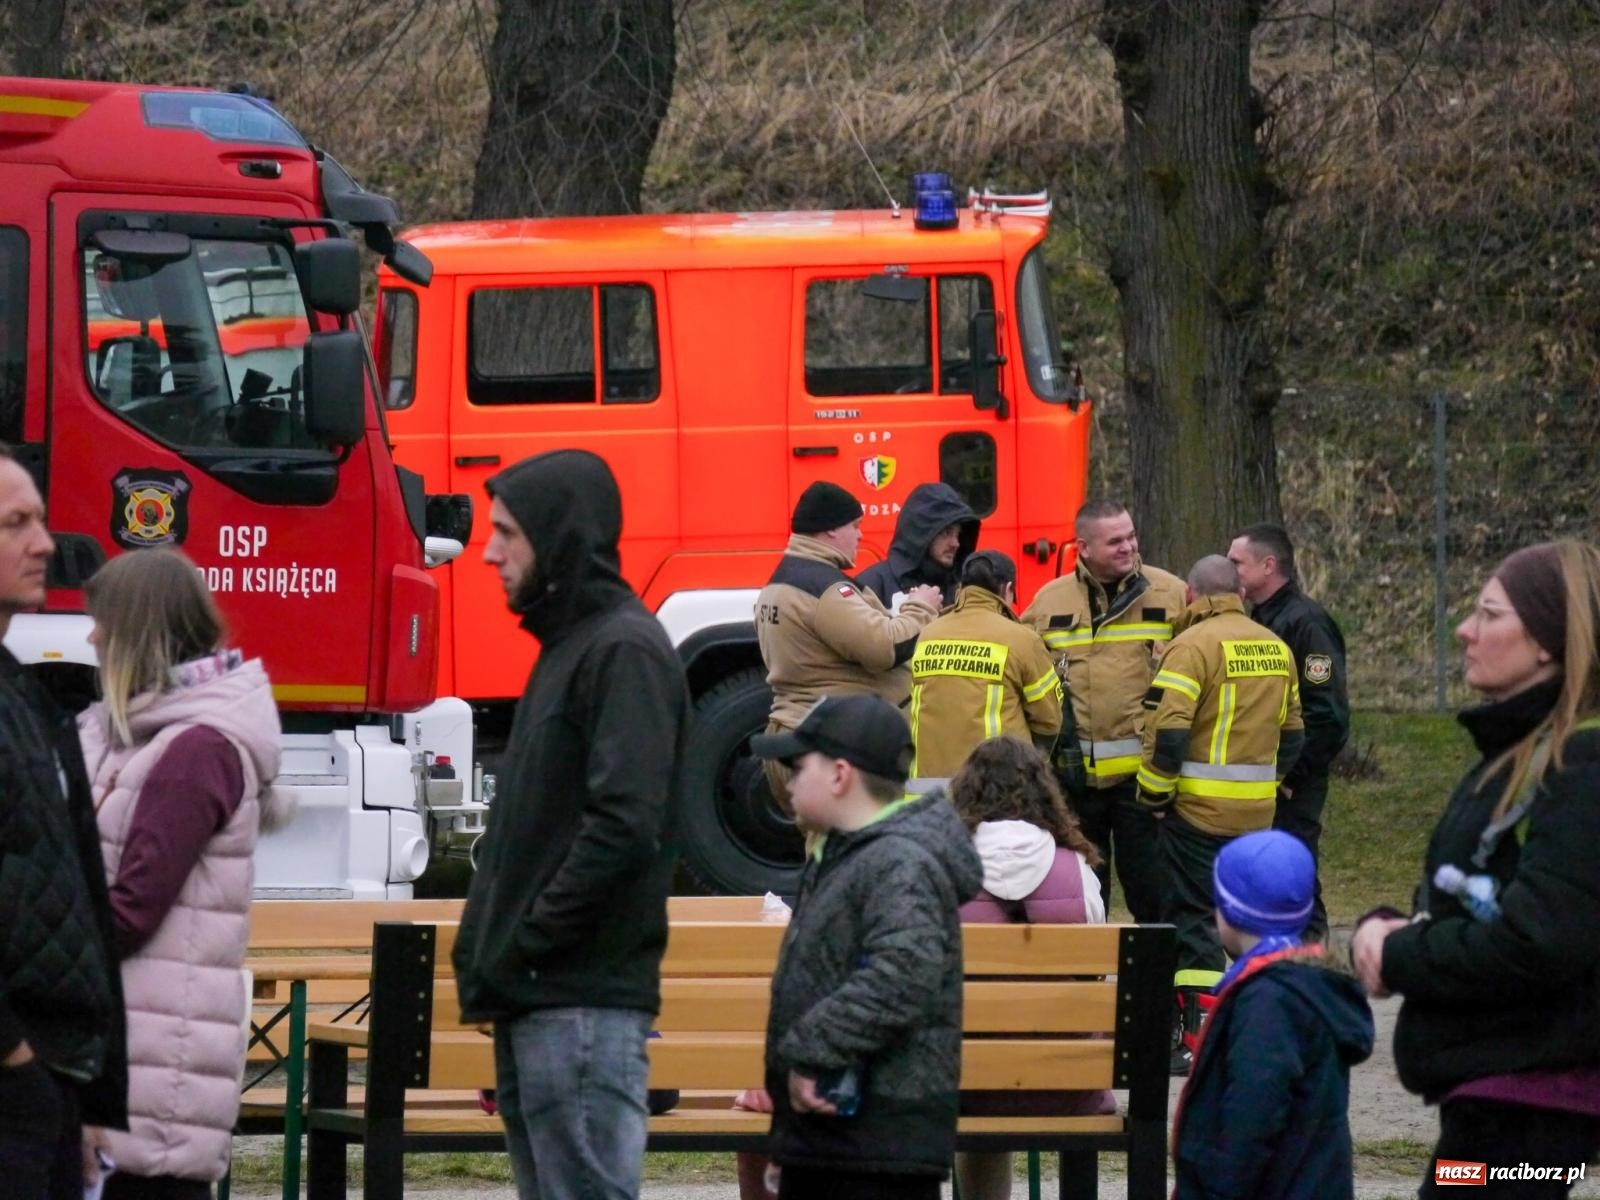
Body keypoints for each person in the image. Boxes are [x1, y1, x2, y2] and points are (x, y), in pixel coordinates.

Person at [453, 448, 689, 1200]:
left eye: (507, 533)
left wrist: (528, 940)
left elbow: (624, 826)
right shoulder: (571, 648)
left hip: (579, 1005)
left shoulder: (622, 650)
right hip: (541, 1001)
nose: (487, 552)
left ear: (559, 538)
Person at [1351, 540, 1600, 1198]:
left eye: (1489, 614)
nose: (1465, 630)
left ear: (1547, 639)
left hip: (1531, 1113)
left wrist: (1400, 952)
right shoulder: (1519, 756)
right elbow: (1477, 899)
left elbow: (1539, 937)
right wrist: (1392, 928)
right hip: (1496, 1107)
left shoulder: (1580, 768)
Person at [76, 549, 286, 1200]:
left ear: (135, 630)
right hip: (135, 1056)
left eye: (101, 622)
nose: (91, 637)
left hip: (151, 1083)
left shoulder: (195, 749)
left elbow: (133, 908)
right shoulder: (143, 735)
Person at [752, 694, 982, 1200]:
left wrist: (811, 1051)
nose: (788, 781)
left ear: (839, 775)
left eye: (797, 766)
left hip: (875, 1146)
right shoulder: (845, 855)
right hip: (834, 1138)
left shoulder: (899, 862)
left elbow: (905, 971)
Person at [0, 444, 127, 1200]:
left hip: (50, 1080)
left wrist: (89, 1100)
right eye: (16, 524)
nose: (45, 544)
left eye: (41, 521)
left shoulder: (23, 696)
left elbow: (76, 891)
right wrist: (14, 1057)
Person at [1135, 554, 1304, 1075]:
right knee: (1251, 923)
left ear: (1191, 594)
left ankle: (1196, 1041)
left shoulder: (1192, 647)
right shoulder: (1274, 646)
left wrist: (1155, 797)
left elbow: (1171, 733)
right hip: (1255, 815)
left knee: (1194, 923)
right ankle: (1269, 1028)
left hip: (1196, 816)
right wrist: (1268, 786)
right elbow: (1295, 735)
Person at [947, 737, 1115, 1200]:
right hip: (1066, 1082)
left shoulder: (938, 871)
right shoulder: (1078, 872)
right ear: (1045, 793)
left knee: (974, 1056)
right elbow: (1091, 977)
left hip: (961, 1083)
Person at [1171, 830, 1374, 1200]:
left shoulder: (1267, 999)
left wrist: (1219, 1187)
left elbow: (1253, 1110)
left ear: (1230, 912)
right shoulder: (1309, 982)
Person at [1021, 499, 1186, 922]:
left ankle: (1155, 987)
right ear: (1084, 548)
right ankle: (1088, 985)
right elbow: (1020, 669)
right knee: (1081, 897)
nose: (1129, 547)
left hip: (1142, 784)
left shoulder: (1171, 595)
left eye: (1131, 536)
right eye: (1115, 541)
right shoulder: (1048, 601)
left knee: (1153, 894)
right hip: (1073, 782)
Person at [755, 481, 940, 808]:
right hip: (829, 746)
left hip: (799, 734)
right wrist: (921, 606)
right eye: (854, 526)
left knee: (827, 849)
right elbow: (883, 648)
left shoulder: (780, 582)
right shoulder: (823, 588)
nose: (859, 536)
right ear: (829, 531)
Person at [1228, 523, 1350, 942]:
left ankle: (1315, 968)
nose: (1231, 572)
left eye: (1236, 563)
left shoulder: (1306, 623)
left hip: (1293, 782)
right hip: (1269, 777)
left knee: (1294, 874)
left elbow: (1327, 715)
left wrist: (1290, 776)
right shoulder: (1261, 619)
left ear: (1268, 565)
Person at [907, 549, 1072, 787]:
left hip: (928, 793)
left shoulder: (928, 634)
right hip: (993, 791)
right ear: (1008, 590)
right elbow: (1048, 719)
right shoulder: (1021, 639)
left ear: (962, 587)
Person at [854, 481, 978, 609]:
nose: (956, 543)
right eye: (946, 533)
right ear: (921, 533)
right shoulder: (873, 584)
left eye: (958, 534)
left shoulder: (961, 587)